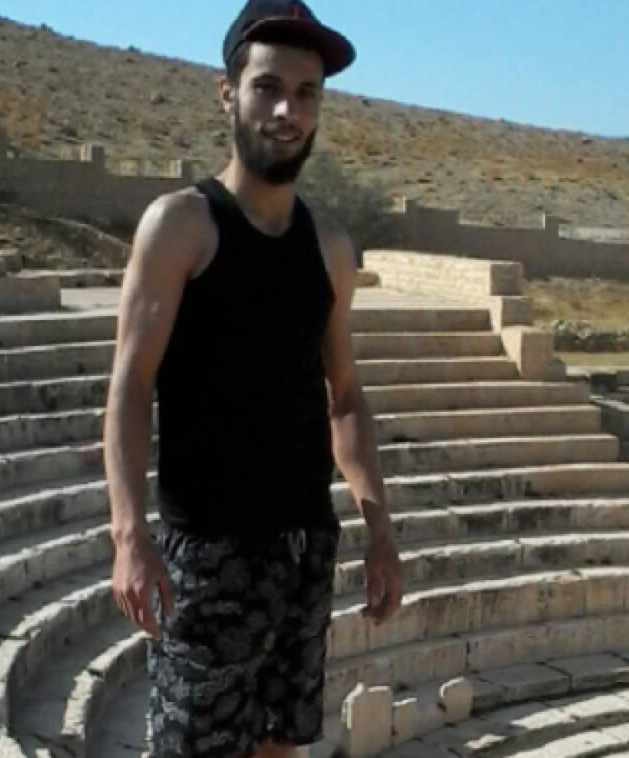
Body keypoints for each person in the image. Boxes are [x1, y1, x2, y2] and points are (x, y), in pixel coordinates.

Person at [102, 1, 404, 756]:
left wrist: (380, 528)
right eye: (268, 87)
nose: (286, 111)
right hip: (207, 555)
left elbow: (347, 398)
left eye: (307, 94)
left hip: (305, 549)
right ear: (227, 93)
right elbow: (130, 386)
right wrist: (129, 533)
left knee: (282, 746)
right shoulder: (182, 227)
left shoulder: (329, 246)